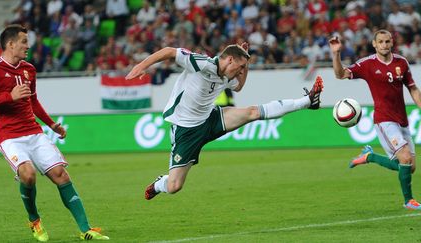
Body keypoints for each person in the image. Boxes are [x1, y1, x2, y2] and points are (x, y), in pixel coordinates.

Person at [125, 43, 324, 200]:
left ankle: (308, 101)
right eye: (240, 67)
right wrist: (142, 66)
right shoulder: (201, 63)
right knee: (174, 186)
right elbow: (170, 51)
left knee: (252, 112)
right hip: (185, 130)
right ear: (229, 59)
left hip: (210, 119)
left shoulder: (228, 74)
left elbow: (238, 88)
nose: (241, 71)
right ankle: (160, 184)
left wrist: (245, 65)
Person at [0, 25, 109, 241]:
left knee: (61, 175)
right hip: (8, 136)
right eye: (24, 41)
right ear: (10, 44)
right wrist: (10, 96)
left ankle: (85, 229)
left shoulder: (29, 69)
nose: (28, 46)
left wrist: (52, 125)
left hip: (33, 132)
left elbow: (33, 101)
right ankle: (34, 220)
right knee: (28, 174)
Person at [329, 30, 421, 210]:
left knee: (409, 167)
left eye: (387, 41)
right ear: (374, 44)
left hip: (402, 119)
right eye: (381, 42)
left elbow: (413, 88)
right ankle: (408, 201)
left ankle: (369, 156)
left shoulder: (401, 62)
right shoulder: (367, 64)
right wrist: (336, 53)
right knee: (404, 157)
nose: (384, 45)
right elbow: (340, 75)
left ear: (392, 42)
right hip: (384, 119)